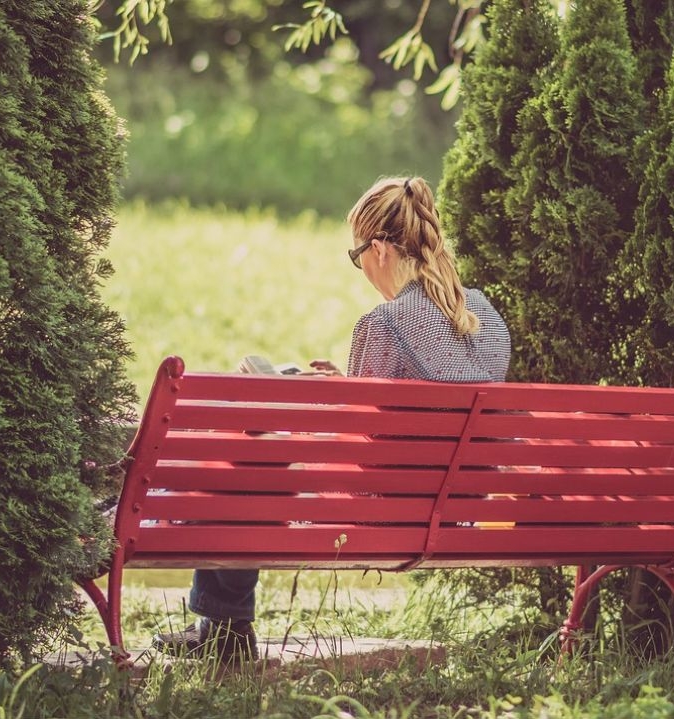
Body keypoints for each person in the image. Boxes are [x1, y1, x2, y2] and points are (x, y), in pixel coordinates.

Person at [151, 176, 511, 662]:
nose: (359, 265)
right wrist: (346, 385)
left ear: (379, 249)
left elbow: (359, 444)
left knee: (250, 461)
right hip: (455, 508)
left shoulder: (384, 324)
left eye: (356, 253)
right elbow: (419, 410)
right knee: (254, 456)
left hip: (382, 514)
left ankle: (223, 630)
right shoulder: (486, 317)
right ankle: (220, 628)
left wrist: (309, 402)